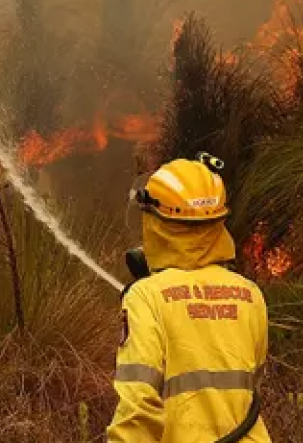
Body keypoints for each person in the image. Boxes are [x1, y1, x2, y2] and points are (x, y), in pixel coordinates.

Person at [107, 153, 271, 442]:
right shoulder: (249, 294)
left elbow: (137, 408)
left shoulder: (145, 297)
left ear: (156, 223)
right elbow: (249, 389)